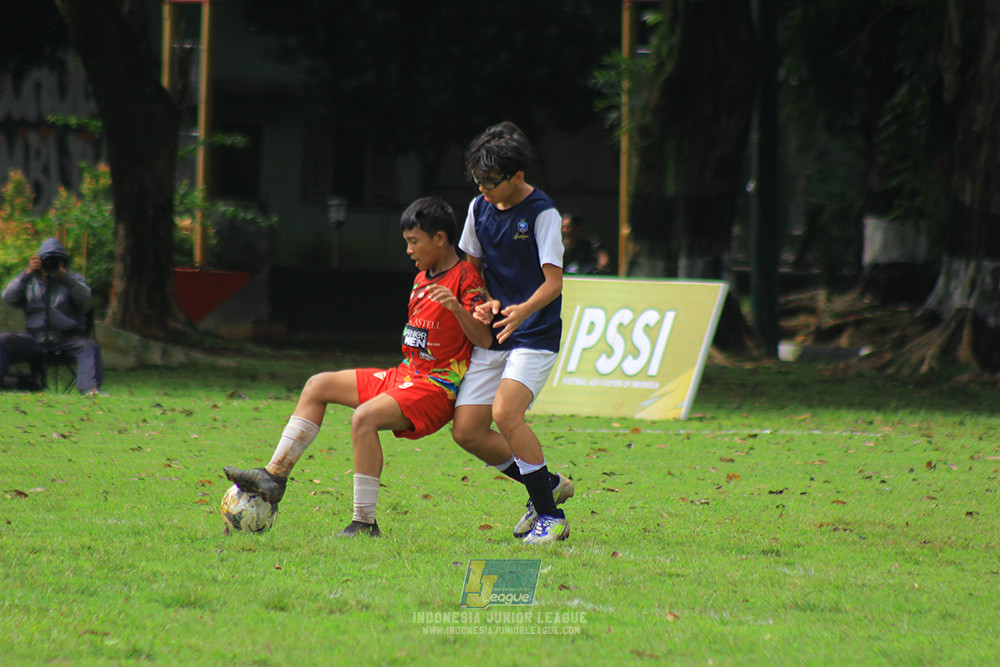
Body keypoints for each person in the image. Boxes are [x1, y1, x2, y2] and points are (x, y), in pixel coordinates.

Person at [223, 196, 492, 537]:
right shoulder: (424, 276)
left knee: (363, 418)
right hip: (405, 375)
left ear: (440, 239)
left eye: (414, 242)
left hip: (436, 387)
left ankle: (364, 523)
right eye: (406, 242)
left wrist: (456, 308)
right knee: (318, 385)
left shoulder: (465, 278)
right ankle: (274, 475)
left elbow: (483, 338)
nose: (408, 250)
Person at [451, 122, 574, 545]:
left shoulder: (543, 213)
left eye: (491, 181)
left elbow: (553, 282)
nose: (483, 188)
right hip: (496, 335)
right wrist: (481, 300)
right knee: (467, 431)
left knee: (506, 414)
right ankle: (547, 483)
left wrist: (522, 311)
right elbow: (471, 270)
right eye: (478, 180)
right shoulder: (477, 208)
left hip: (534, 332)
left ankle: (550, 515)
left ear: (517, 177)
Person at [0, 237, 104, 395]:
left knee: (89, 347)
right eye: (46, 260)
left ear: (63, 262)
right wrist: (26, 273)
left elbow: (85, 296)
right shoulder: (29, 281)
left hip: (67, 338)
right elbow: (8, 297)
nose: (50, 265)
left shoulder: (72, 280)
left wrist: (65, 277)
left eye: (56, 260)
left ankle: (89, 389)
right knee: (3, 340)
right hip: (34, 339)